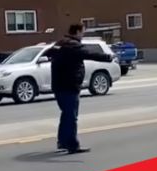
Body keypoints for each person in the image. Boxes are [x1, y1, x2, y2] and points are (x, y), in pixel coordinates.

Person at [46, 24, 111, 153]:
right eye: (82, 32)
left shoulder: (60, 43)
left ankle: (62, 142)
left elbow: (48, 53)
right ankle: (72, 145)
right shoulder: (73, 45)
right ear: (77, 32)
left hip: (58, 85)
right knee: (71, 116)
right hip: (70, 86)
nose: (83, 34)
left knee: (66, 114)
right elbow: (89, 54)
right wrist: (108, 57)